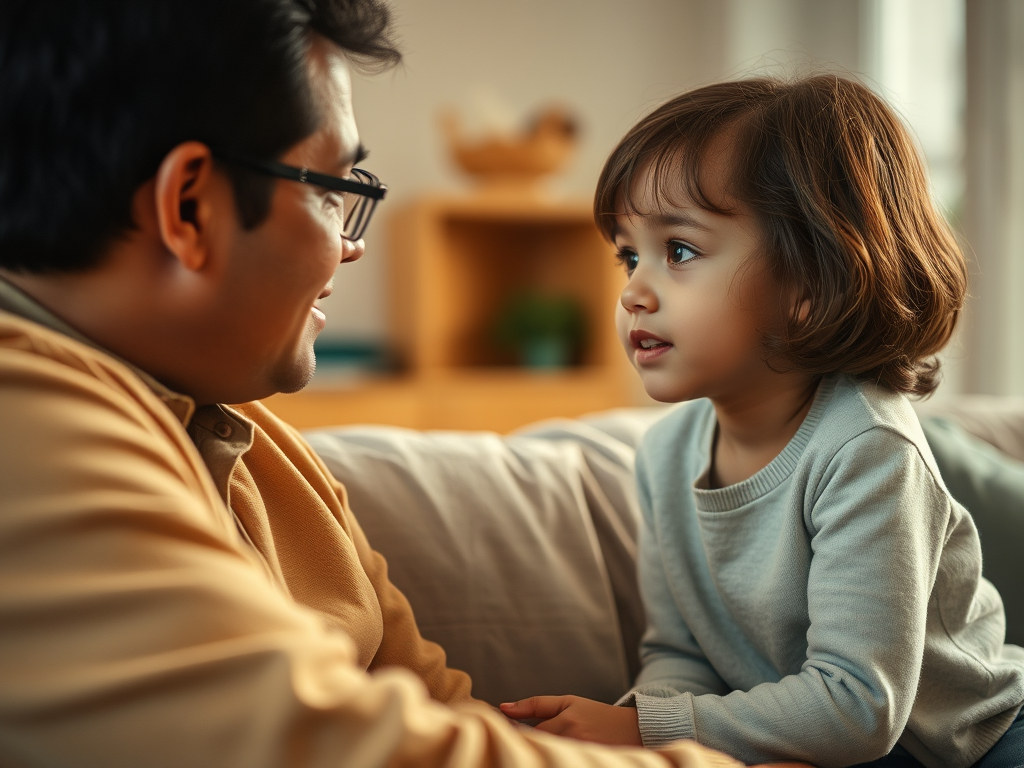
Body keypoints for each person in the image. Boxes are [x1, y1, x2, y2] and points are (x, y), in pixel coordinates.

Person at [0, 2, 756, 766]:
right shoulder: (25, 426)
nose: (351, 246)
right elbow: (330, 748)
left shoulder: (266, 449)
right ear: (189, 206)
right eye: (331, 189)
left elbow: (437, 711)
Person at [499, 76, 1024, 766]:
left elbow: (858, 704)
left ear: (809, 284)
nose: (633, 292)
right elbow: (680, 657)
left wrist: (646, 728)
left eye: (679, 251)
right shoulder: (664, 455)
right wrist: (647, 741)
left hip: (972, 747)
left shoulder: (866, 449)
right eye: (629, 254)